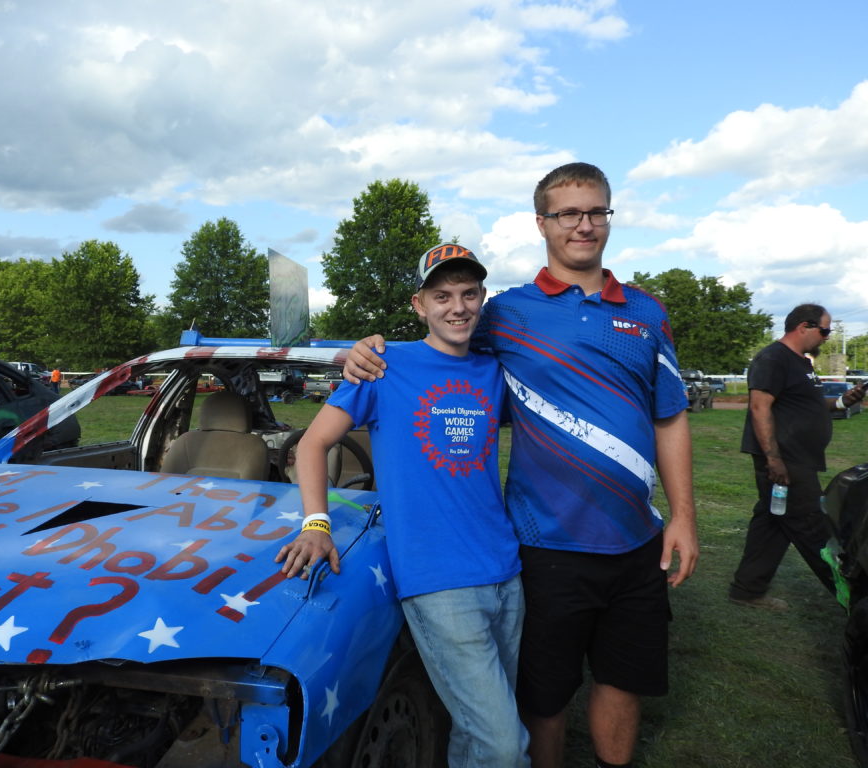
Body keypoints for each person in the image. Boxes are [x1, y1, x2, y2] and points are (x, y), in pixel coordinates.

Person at [344, 162, 698, 768]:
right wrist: (363, 349)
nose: (583, 225)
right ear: (543, 223)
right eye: (568, 213)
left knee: (623, 679)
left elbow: (669, 418)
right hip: (545, 543)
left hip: (637, 540)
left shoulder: (646, 312)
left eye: (596, 212)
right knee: (544, 695)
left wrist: (683, 518)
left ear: (608, 217)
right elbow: (437, 345)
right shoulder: (506, 312)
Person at [276, 244, 530, 768]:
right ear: (419, 305)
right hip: (437, 579)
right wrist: (316, 523)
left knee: (480, 728)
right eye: (442, 296)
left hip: (506, 569)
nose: (457, 307)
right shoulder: (382, 365)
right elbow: (311, 444)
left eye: (468, 294)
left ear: (482, 299)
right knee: (505, 746)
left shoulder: (493, 371)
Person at [729, 304, 867, 609]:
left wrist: (844, 401)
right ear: (803, 326)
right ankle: (856, 602)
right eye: (825, 331)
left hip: (799, 458)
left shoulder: (801, 363)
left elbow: (810, 405)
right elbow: (759, 408)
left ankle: (747, 590)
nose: (827, 338)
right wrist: (773, 459)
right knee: (814, 529)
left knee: (772, 525)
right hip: (786, 461)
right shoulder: (773, 358)